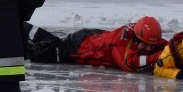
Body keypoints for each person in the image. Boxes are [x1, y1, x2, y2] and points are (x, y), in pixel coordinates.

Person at [25, 16, 167, 73]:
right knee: (35, 53)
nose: (149, 49)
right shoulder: (120, 44)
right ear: (136, 38)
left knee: (49, 43)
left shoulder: (140, 34)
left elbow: (166, 46)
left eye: (151, 46)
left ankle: (15, 25)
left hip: (91, 38)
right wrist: (157, 56)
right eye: (146, 45)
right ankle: (8, 32)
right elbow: (129, 63)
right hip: (77, 47)